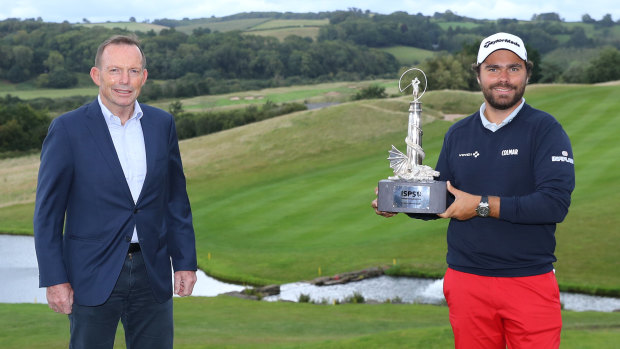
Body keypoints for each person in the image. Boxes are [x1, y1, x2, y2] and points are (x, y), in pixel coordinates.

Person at [372, 32, 575, 348]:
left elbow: (553, 204)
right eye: (493, 68)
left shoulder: (546, 130)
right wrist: (400, 200)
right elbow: (445, 199)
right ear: (478, 73)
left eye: (513, 68)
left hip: (528, 280)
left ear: (527, 73)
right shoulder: (459, 133)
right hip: (467, 281)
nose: (503, 78)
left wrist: (482, 205)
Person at [33, 35, 198, 349]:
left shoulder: (162, 124)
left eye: (134, 71)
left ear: (144, 77)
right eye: (115, 71)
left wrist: (186, 261)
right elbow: (47, 215)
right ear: (97, 75)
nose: (125, 80)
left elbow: (176, 199)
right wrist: (54, 278)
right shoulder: (68, 129)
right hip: (91, 273)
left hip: (153, 271)